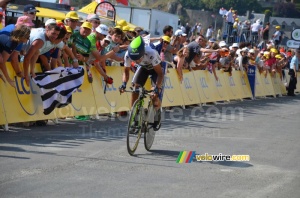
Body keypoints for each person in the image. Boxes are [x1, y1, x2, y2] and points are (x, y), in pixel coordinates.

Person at [119, 36, 164, 130]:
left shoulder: (151, 53)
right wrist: (123, 84)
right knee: (135, 89)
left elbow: (160, 74)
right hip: (144, 68)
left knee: (154, 95)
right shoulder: (128, 54)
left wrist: (157, 87)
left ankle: (157, 113)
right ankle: (134, 116)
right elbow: (126, 72)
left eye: (138, 58)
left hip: (156, 69)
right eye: (134, 58)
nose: (136, 61)